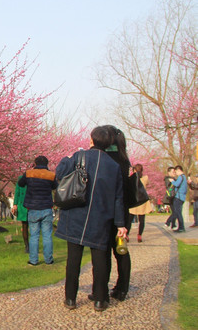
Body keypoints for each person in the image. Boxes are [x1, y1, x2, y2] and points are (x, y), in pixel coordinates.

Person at [55, 126, 127, 312]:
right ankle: (100, 300)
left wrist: (69, 157)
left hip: (76, 215)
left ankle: (70, 298)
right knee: (100, 260)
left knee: (74, 259)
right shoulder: (114, 166)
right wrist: (120, 224)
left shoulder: (79, 157)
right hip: (101, 217)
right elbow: (118, 197)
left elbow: (59, 173)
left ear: (92, 140)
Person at [103, 125, 133, 302]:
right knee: (121, 250)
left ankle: (102, 288)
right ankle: (122, 288)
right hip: (123, 211)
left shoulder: (105, 157)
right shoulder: (123, 158)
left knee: (104, 250)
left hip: (108, 210)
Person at [18, 156, 57, 265]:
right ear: (46, 164)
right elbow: (55, 187)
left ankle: (33, 260)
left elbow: (20, 183)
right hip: (46, 208)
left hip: (33, 208)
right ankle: (48, 259)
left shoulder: (29, 173)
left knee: (34, 235)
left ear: (35, 163)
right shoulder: (51, 175)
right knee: (47, 235)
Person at [129, 164, 153, 242]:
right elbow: (148, 184)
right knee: (142, 220)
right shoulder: (145, 178)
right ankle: (139, 235)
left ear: (134, 170)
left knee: (129, 220)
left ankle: (126, 235)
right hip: (142, 201)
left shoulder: (132, 179)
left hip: (134, 201)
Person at [12, 175, 29, 253]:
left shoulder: (35, 178)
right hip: (22, 205)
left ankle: (31, 245)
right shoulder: (21, 178)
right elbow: (17, 192)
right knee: (24, 226)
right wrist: (15, 204)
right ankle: (27, 246)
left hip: (32, 204)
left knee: (33, 227)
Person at [170, 165, 188, 233]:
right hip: (182, 197)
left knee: (178, 213)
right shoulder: (184, 177)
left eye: (176, 171)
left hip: (179, 197)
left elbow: (177, 184)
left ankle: (181, 227)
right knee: (178, 212)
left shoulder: (181, 177)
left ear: (179, 170)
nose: (175, 173)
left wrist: (172, 181)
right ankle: (180, 227)